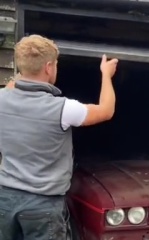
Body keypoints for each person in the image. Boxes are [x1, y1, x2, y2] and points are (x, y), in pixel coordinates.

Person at [0, 34, 118, 239]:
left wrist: (24, 71)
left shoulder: (2, 99)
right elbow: (106, 111)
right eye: (55, 64)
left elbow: (14, 86)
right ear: (48, 67)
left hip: (5, 199)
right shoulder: (63, 109)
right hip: (43, 205)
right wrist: (106, 75)